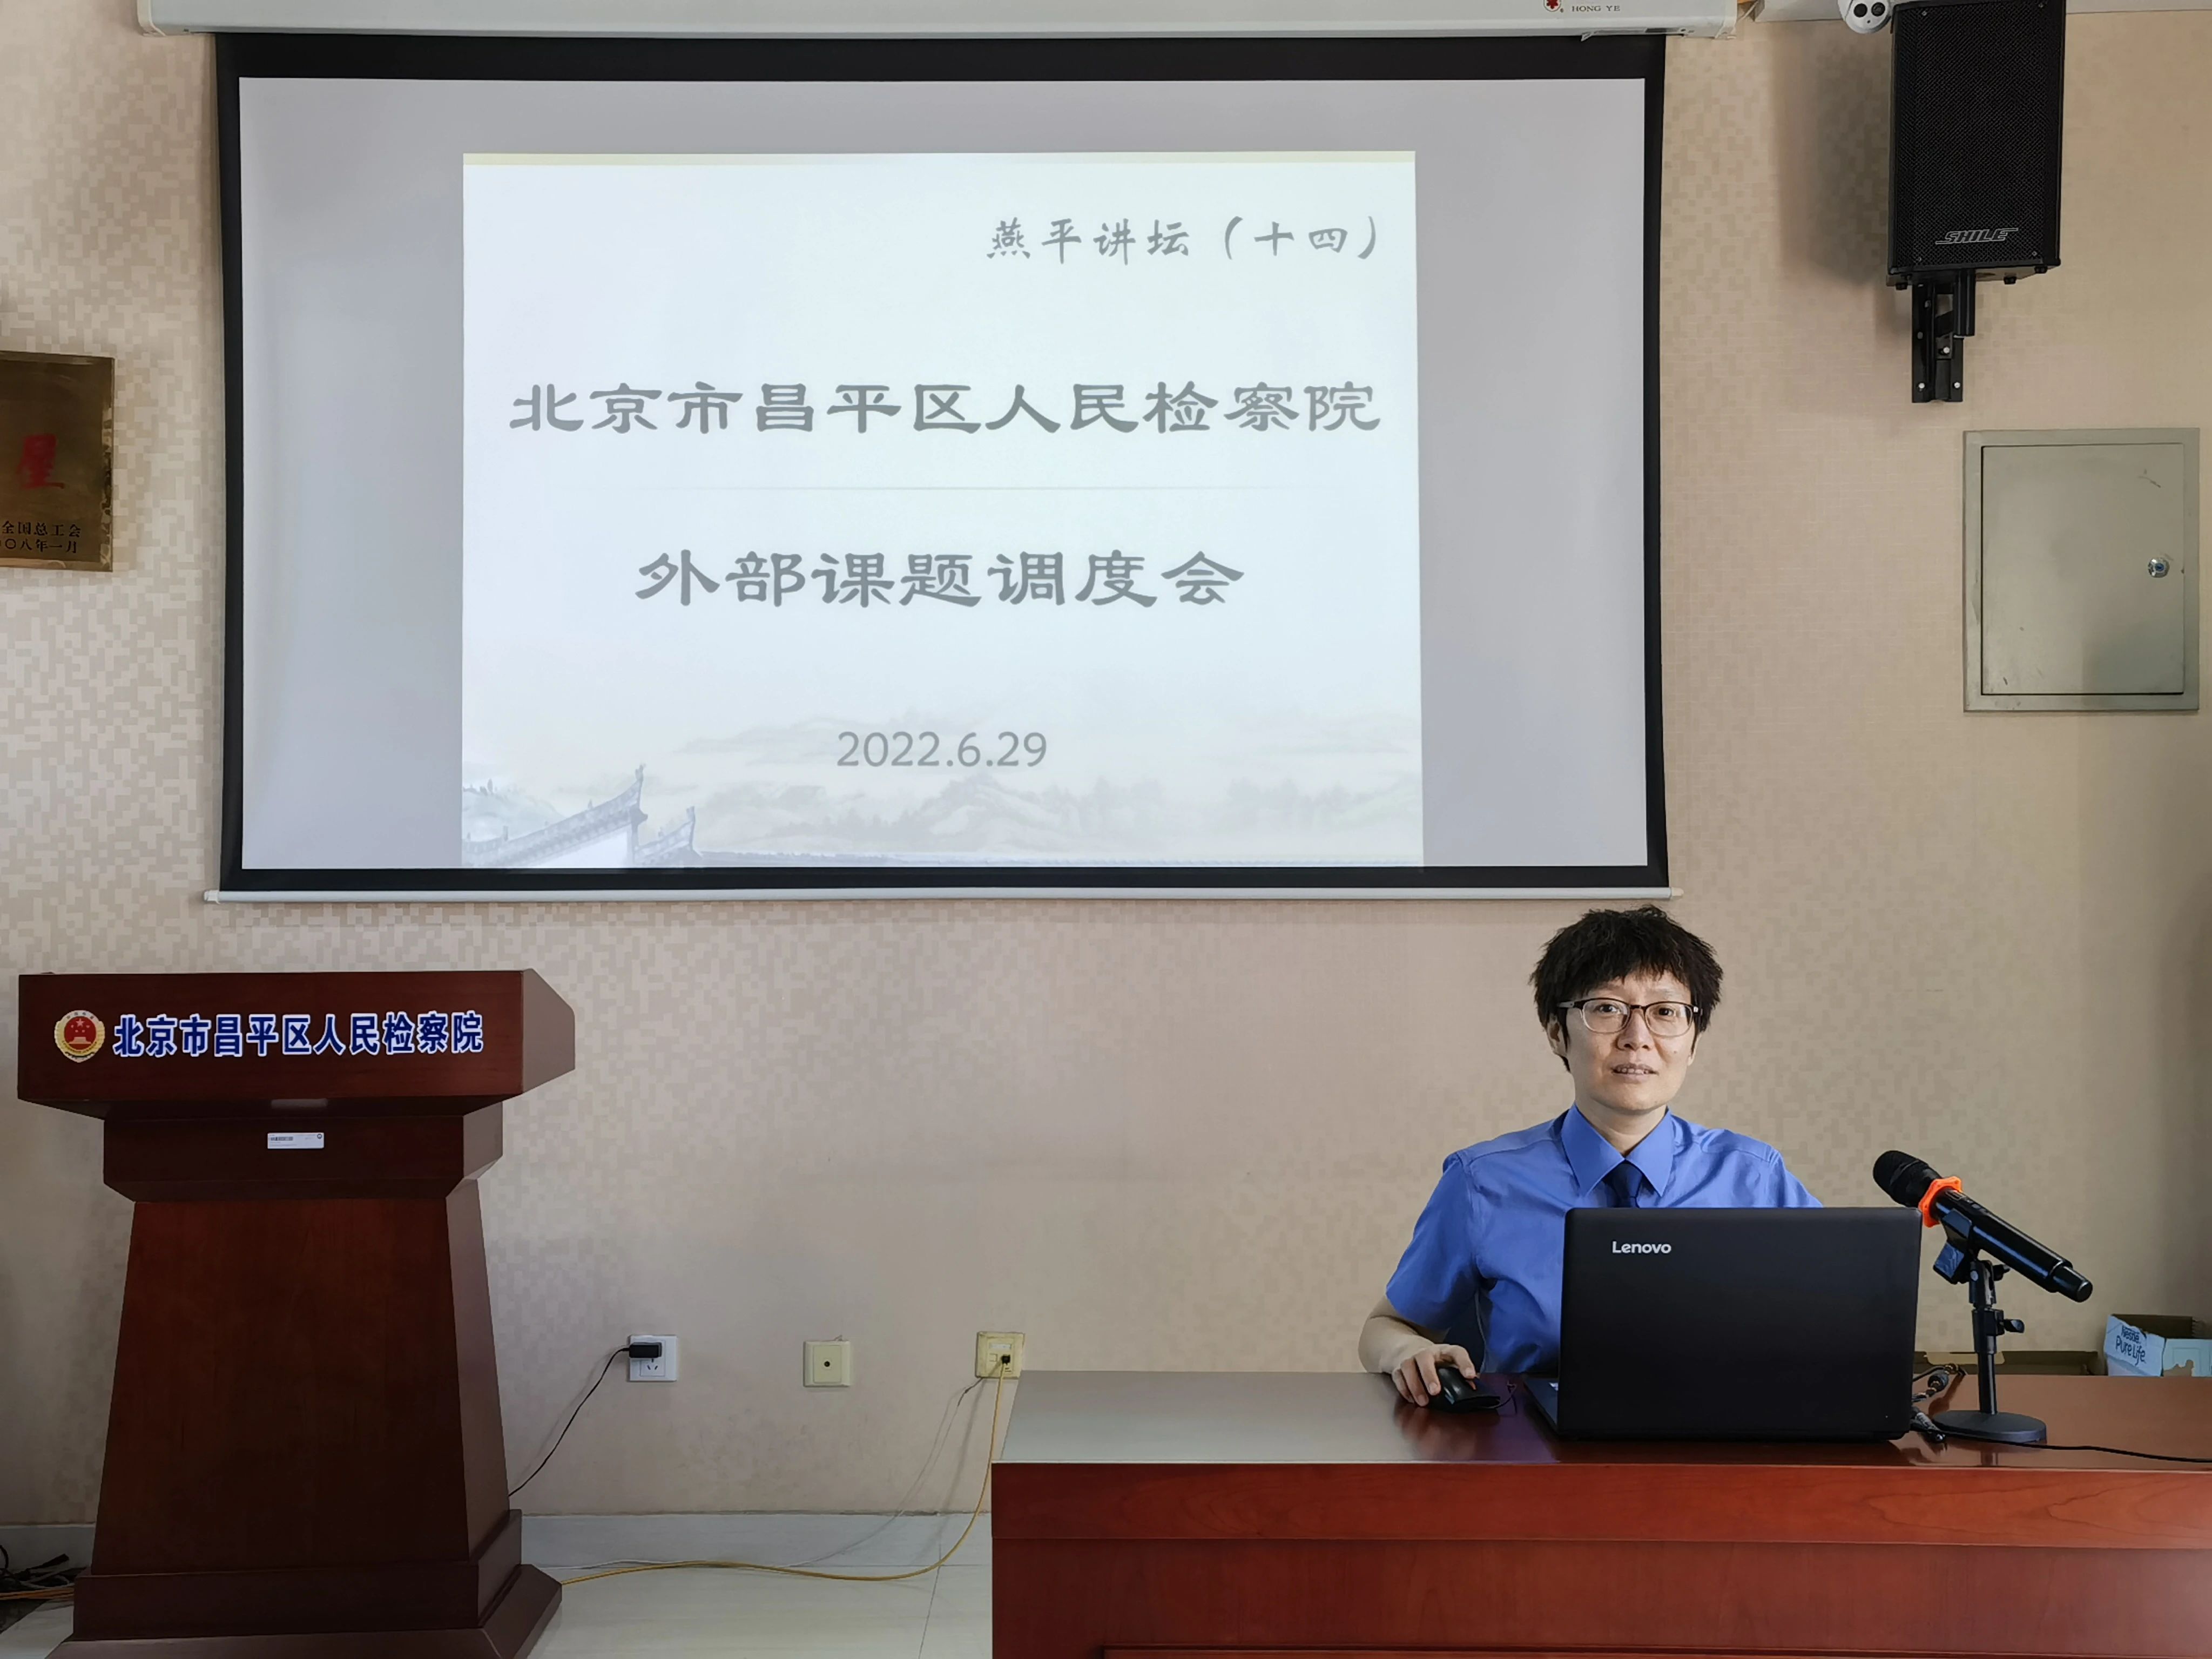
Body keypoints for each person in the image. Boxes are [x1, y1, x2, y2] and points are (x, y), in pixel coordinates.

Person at [1360, 905, 1818, 1404]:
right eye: (1607, 1009)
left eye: (1665, 1012)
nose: (1637, 1039)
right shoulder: (1483, 1181)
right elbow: (1388, 1325)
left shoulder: (1754, 1177)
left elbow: (1834, 1314)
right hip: (1534, 1442)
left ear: (1693, 1042)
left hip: (1720, 1436)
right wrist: (1408, 1351)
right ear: (1557, 1033)